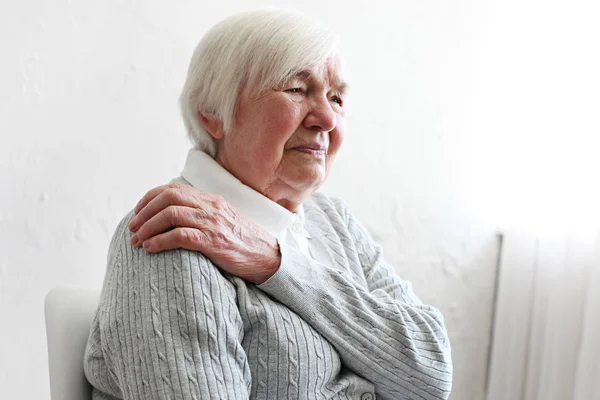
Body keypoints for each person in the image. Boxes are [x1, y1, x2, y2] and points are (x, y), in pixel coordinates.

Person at [84, 9, 453, 400]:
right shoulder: (173, 233)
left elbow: (430, 375)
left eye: (336, 97)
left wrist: (279, 265)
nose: (327, 118)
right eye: (296, 89)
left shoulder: (333, 222)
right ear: (213, 113)